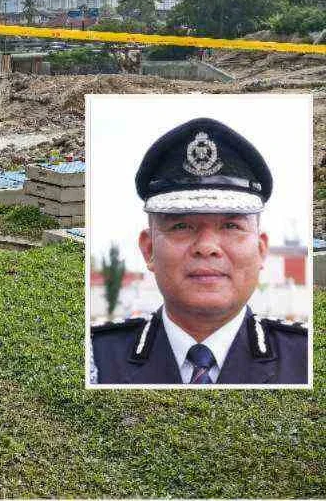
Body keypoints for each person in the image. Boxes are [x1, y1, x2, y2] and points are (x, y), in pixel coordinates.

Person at [90, 117, 308, 385]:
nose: (207, 247)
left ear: (261, 249)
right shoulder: (96, 359)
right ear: (149, 250)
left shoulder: (304, 357)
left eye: (231, 225)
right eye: (182, 226)